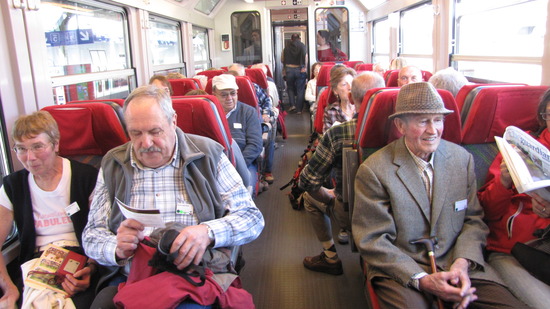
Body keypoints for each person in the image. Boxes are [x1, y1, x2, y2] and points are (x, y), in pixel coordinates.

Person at [82, 85, 264, 308]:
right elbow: (91, 235)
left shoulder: (207, 155)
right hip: (132, 278)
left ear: (173, 121)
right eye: (136, 133)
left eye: (155, 131)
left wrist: (207, 233)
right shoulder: (113, 164)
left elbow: (252, 218)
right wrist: (116, 247)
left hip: (193, 274)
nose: (146, 143)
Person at [352, 82, 527, 308]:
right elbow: (373, 239)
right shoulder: (374, 170)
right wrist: (422, 280)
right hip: (403, 268)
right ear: (400, 126)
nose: (433, 130)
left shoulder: (461, 159)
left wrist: (462, 264)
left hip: (458, 261)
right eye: (423, 121)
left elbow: (473, 220)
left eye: (438, 120)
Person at [0, 111, 99, 308]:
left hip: (82, 260)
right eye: (21, 149)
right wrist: (9, 288)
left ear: (55, 145)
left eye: (38, 147)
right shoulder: (13, 186)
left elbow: (101, 232)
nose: (30, 158)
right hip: (36, 261)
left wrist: (93, 269)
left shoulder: (87, 177)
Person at [300, 72, 385, 275]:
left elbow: (307, 181)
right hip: (396, 214)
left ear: (353, 99)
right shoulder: (405, 130)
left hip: (353, 211)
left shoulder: (338, 133)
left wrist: (329, 196)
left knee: (309, 199)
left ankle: (331, 257)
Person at [477, 88, 550, 309]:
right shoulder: (518, 148)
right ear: (543, 117)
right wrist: (504, 183)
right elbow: (485, 212)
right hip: (511, 250)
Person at [213, 74, 263, 196]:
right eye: (224, 95)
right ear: (214, 94)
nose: (229, 98)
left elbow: (255, 144)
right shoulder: (210, 113)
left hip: (243, 163)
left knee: (243, 192)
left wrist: (236, 165)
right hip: (214, 166)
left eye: (233, 93)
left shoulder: (248, 112)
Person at [228, 63, 276, 185]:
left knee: (267, 132)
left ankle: (267, 170)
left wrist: (265, 114)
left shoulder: (253, 89)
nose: (228, 97)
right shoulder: (213, 110)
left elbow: (266, 101)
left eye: (237, 75)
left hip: (256, 117)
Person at [322, 65, 357, 133]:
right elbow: (327, 140)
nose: (350, 87)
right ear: (335, 90)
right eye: (344, 84)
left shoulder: (363, 108)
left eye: (352, 83)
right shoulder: (330, 111)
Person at [282, 33, 308, 114]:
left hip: (289, 69)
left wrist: (284, 69)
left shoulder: (286, 47)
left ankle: (292, 105)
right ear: (299, 38)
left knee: (290, 88)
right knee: (300, 89)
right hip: (300, 69)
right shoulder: (302, 46)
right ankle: (299, 110)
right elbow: (305, 57)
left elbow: (282, 59)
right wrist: (305, 67)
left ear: (291, 39)